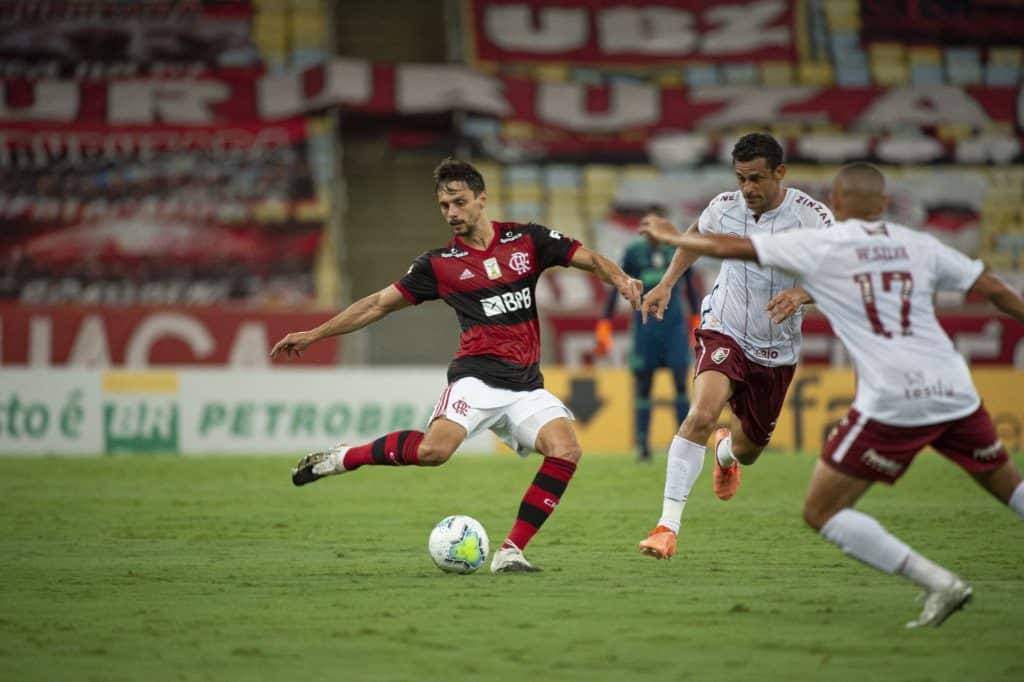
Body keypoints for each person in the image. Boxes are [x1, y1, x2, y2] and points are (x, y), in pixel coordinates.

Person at [639, 161, 1024, 627]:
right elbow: (996, 292)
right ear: (885, 205)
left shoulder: (824, 243)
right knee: (1010, 486)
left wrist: (672, 236)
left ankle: (941, 583)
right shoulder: (920, 246)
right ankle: (670, 519)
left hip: (894, 401)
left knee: (821, 510)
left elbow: (729, 245)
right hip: (956, 390)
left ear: (836, 205)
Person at [271, 157, 643, 574]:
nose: (451, 213)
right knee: (434, 452)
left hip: (525, 386)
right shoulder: (438, 264)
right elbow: (377, 304)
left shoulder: (527, 241)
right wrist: (316, 334)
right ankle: (344, 458)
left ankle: (510, 552)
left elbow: (590, 259)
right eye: (444, 206)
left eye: (459, 202)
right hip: (477, 379)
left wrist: (623, 279)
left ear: (482, 199)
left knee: (566, 449)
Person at [636, 133, 834, 560]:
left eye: (757, 179)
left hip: (777, 348)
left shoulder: (812, 218)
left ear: (780, 173)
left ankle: (725, 455)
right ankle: (666, 526)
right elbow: (695, 235)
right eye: (741, 178)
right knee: (701, 414)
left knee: (749, 451)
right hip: (724, 328)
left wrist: (803, 295)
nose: (748, 189)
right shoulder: (726, 207)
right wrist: (667, 284)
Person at [594, 207, 701, 462]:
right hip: (644, 330)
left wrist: (697, 324)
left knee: (679, 383)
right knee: (644, 385)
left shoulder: (677, 250)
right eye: (646, 223)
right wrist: (604, 324)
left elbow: (691, 290)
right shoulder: (633, 252)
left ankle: (683, 445)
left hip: (674, 328)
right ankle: (642, 446)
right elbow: (615, 286)